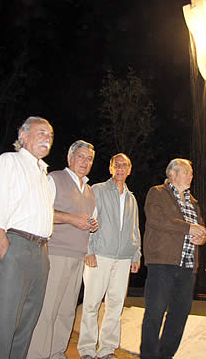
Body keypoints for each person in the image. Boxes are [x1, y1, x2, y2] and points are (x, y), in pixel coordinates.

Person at [0, 116, 54, 359]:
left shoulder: (44, 175)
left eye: (50, 135)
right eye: (41, 132)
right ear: (23, 136)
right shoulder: (8, 162)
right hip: (15, 247)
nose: (47, 138)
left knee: (26, 325)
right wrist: (6, 252)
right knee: (4, 323)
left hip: (41, 252)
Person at [27, 140, 99, 359]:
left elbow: (89, 222)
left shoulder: (89, 191)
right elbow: (40, 211)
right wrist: (71, 219)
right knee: (48, 309)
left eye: (89, 159)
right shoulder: (54, 179)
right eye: (80, 156)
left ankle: (57, 352)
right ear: (70, 158)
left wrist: (92, 225)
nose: (84, 162)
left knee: (67, 311)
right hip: (55, 253)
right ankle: (39, 354)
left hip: (78, 258)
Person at [140, 158, 206, 359]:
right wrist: (189, 228)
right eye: (187, 171)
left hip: (187, 266)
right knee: (155, 312)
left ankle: (165, 355)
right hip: (162, 263)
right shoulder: (157, 193)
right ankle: (149, 355)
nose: (191, 175)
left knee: (180, 314)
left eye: (191, 172)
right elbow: (157, 219)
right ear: (173, 174)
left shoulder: (193, 202)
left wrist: (202, 237)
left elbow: (201, 229)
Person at [77, 153, 141, 359]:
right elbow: (88, 221)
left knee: (115, 305)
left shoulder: (131, 198)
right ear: (110, 168)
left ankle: (107, 349)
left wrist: (136, 254)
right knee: (91, 304)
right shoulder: (98, 190)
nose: (120, 168)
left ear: (130, 170)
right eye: (117, 165)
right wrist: (88, 250)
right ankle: (87, 349)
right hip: (100, 255)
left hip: (123, 259)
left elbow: (135, 229)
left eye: (124, 165)